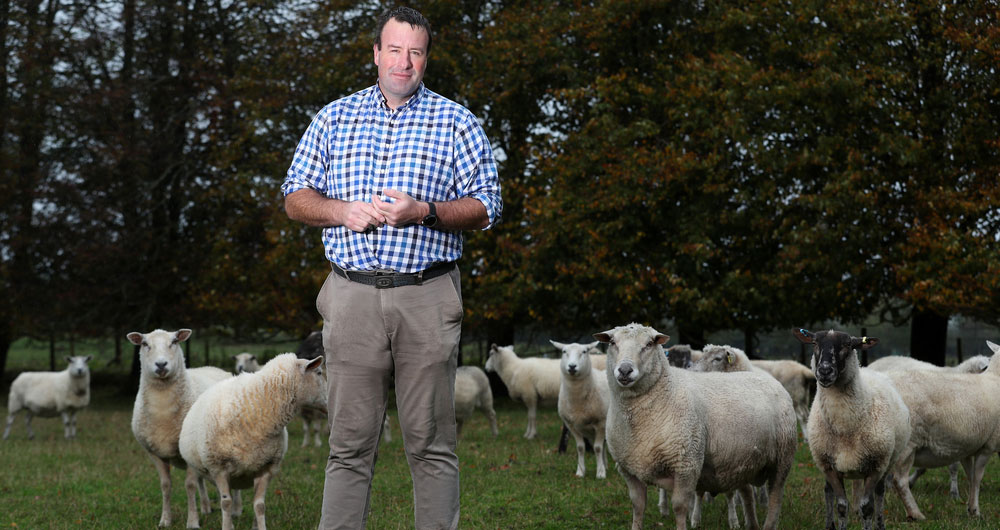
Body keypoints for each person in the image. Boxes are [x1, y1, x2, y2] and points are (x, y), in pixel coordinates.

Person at [281, 6, 502, 530]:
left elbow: (487, 206)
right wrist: (339, 211)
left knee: (429, 441)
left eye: (416, 52)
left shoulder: (457, 121)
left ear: (426, 59)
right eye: (395, 50)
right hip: (350, 296)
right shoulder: (334, 117)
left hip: (426, 297)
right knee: (349, 443)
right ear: (377, 54)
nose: (404, 62)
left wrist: (424, 210)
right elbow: (295, 197)